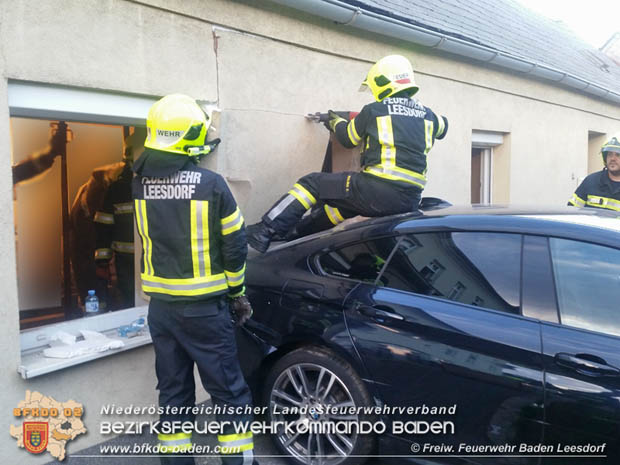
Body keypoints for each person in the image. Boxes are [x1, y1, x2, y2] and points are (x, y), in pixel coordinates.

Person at [132, 94, 257, 465]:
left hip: (162, 313)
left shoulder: (139, 183)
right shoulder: (212, 184)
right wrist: (238, 294)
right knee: (229, 394)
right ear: (189, 138)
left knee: (173, 394)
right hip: (205, 312)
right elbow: (235, 248)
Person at [247, 54, 449, 253]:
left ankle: (265, 230)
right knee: (339, 209)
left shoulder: (374, 110)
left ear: (382, 82)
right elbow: (444, 126)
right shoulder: (428, 115)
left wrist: (336, 122)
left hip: (377, 189)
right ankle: (297, 236)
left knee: (312, 184)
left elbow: (348, 139)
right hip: (410, 200)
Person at [93, 128, 146, 310]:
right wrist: (102, 262)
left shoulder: (158, 185)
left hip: (152, 259)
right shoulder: (117, 189)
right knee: (129, 302)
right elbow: (103, 226)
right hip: (125, 262)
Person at [568, 134, 620, 212]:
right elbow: (571, 211)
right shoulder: (591, 181)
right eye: (609, 154)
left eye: (618, 155)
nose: (612, 158)